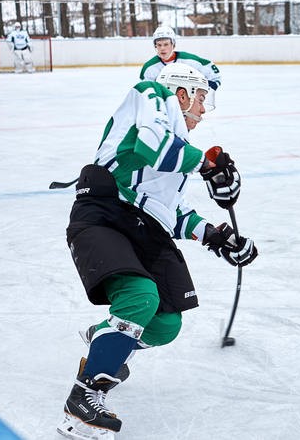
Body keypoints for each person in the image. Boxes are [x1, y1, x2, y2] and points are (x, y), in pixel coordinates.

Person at [57, 62, 258, 440]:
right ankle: (81, 403)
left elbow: (170, 212)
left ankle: (105, 339)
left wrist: (217, 236)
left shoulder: (177, 152)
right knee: (139, 296)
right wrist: (207, 164)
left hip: (142, 227)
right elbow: (153, 147)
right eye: (201, 98)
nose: (203, 108)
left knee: (165, 324)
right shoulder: (152, 95)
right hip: (105, 214)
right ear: (180, 93)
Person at [141, 26, 221, 108]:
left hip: (188, 106)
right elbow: (146, 93)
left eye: (166, 44)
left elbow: (214, 74)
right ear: (155, 46)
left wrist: (205, 90)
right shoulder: (149, 68)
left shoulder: (189, 60)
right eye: (159, 45)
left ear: (173, 45)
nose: (162, 48)